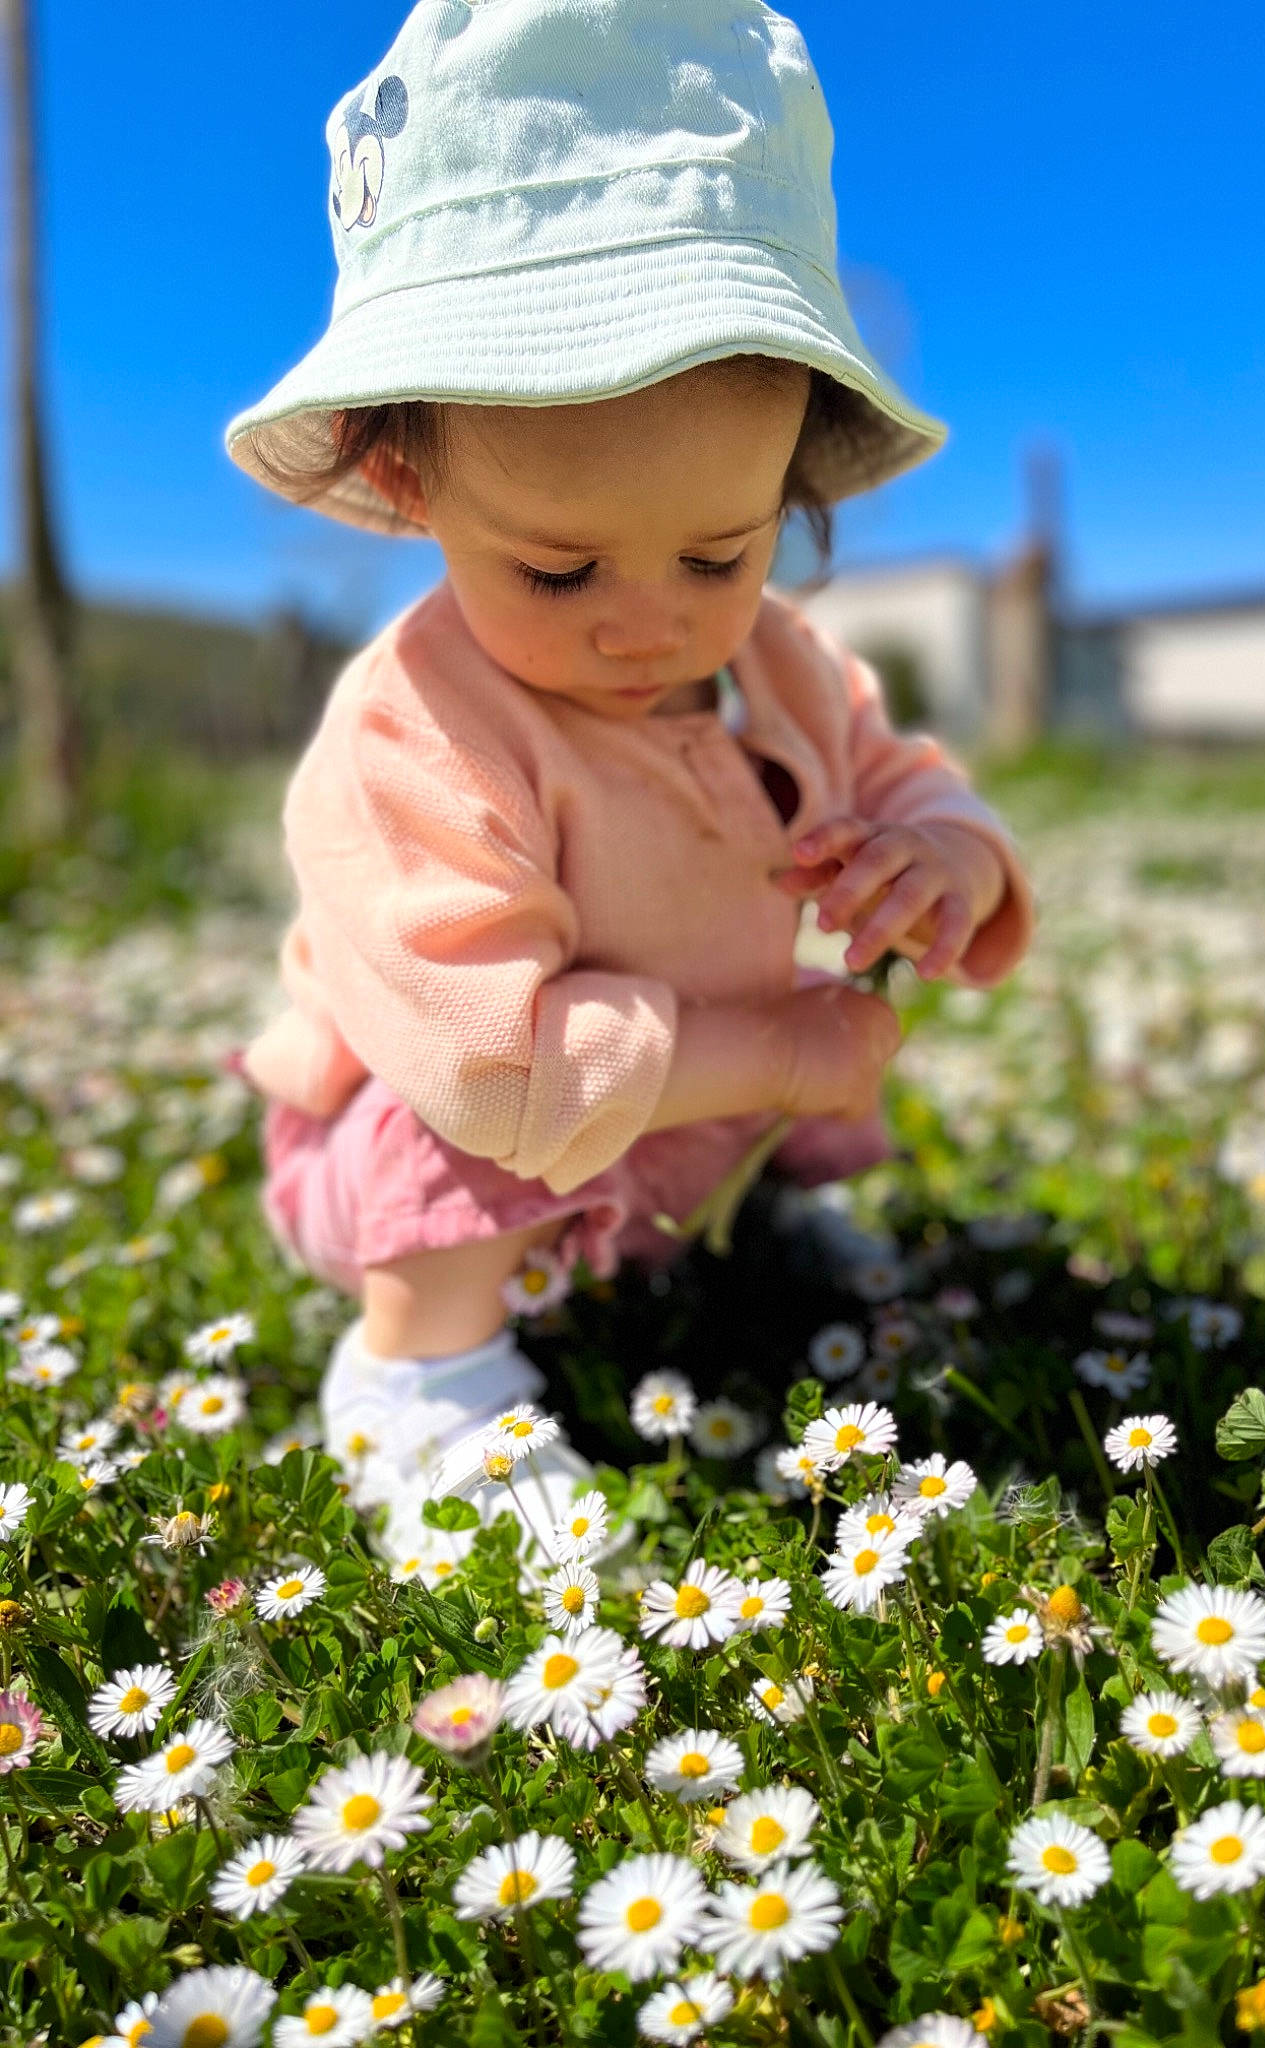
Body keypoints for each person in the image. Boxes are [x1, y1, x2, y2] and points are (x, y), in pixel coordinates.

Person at [221, 0, 1033, 1527]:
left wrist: (948, 856)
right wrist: (788, 1056)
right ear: (409, 478)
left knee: (776, 1043)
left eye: (721, 550)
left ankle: (739, 1230)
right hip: (461, 1149)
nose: (646, 626)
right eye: (560, 572)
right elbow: (484, 1055)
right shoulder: (422, 727)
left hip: (674, 1130)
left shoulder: (778, 667)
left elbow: (907, 770)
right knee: (433, 1120)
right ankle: (419, 1380)